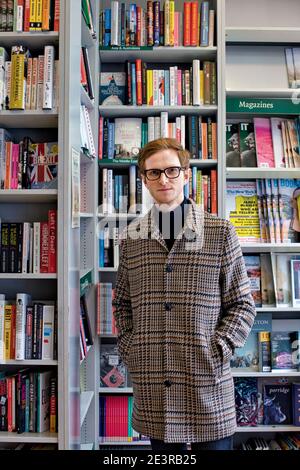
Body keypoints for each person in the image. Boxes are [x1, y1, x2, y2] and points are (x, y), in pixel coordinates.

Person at [113, 138, 256, 451]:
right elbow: (122, 303)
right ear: (143, 180)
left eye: (172, 170)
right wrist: (130, 348)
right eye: (154, 173)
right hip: (153, 384)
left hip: (207, 380)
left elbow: (242, 304)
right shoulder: (132, 238)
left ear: (187, 175)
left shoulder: (220, 231)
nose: (163, 179)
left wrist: (218, 348)